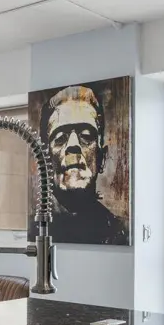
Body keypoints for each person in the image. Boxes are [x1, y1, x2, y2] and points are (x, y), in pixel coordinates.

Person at [39, 84, 128, 245]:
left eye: (86, 136)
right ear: (45, 159)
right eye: (60, 138)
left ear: (101, 157)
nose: (73, 145)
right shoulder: (36, 230)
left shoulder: (119, 232)